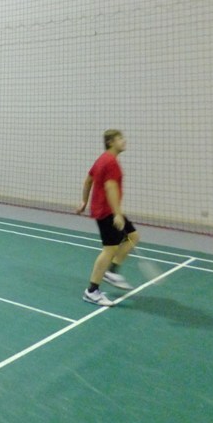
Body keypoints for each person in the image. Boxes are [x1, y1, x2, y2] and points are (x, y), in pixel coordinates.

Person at [75, 129, 138, 307]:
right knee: (109, 249)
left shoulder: (102, 159)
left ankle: (112, 271)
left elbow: (88, 180)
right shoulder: (111, 163)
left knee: (132, 237)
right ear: (110, 142)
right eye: (120, 138)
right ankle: (92, 291)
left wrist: (84, 201)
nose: (124, 141)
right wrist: (117, 214)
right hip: (107, 211)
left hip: (107, 209)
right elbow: (111, 188)